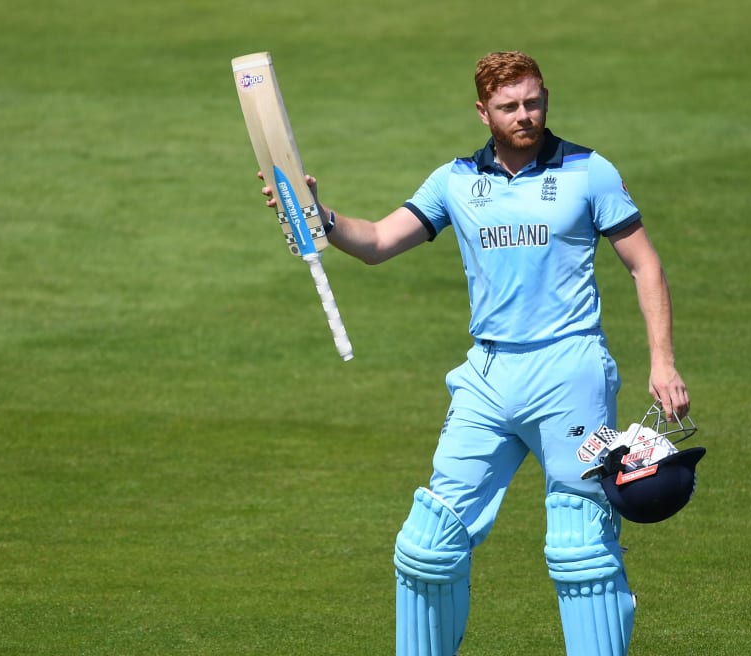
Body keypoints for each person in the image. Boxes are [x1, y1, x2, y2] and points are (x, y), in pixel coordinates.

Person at [260, 50, 689, 656]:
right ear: (483, 111)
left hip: (569, 370)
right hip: (487, 376)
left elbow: (644, 264)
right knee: (427, 544)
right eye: (509, 106)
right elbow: (380, 242)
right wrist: (319, 217)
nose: (525, 116)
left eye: (534, 101)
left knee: (580, 548)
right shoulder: (455, 180)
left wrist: (662, 360)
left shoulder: (589, 172)